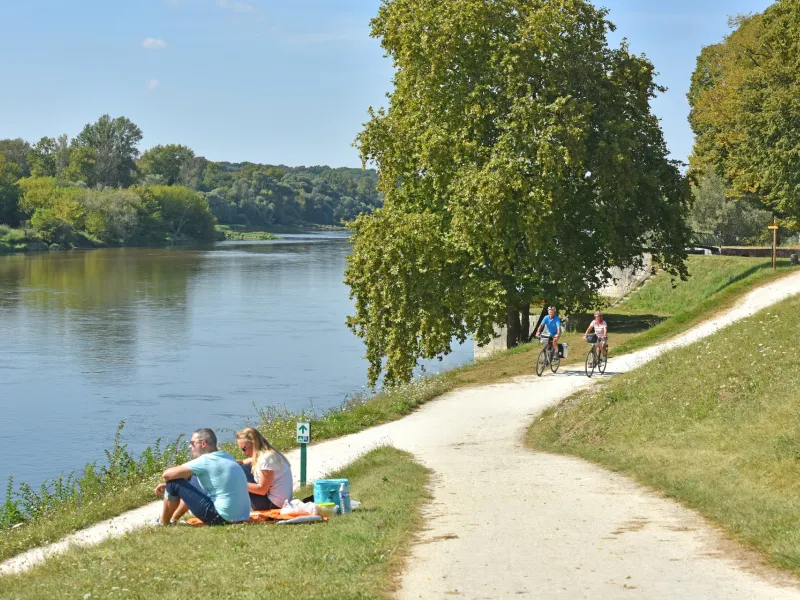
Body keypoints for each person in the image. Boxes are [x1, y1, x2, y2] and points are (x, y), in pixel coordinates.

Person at [154, 427, 251, 526]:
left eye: (192, 443)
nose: (189, 447)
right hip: (241, 517)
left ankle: (163, 523)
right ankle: (173, 519)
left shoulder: (206, 460)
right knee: (192, 477)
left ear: (203, 443)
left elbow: (167, 475)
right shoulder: (227, 456)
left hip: (220, 519)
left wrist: (169, 485)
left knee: (173, 483)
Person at [235, 427, 293, 511]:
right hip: (280, 502)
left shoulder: (266, 459)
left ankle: (235, 508)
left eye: (244, 448)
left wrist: (237, 483)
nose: (243, 452)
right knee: (242, 467)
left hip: (274, 505)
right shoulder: (268, 453)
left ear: (254, 443)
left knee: (241, 470)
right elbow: (245, 461)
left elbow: (262, 490)